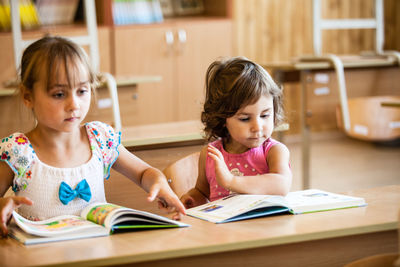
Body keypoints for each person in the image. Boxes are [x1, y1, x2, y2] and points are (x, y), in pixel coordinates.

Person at [0, 36, 185, 237]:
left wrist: (159, 182)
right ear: (28, 96)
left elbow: (143, 173)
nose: (74, 105)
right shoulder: (18, 151)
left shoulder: (99, 138)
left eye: (81, 91)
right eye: (59, 94)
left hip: (98, 252)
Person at [180, 57, 292, 208]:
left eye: (265, 115)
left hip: (265, 227)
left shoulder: (273, 151)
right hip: (223, 229)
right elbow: (202, 192)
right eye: (245, 119)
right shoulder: (211, 154)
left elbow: (281, 185)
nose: (258, 127)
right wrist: (192, 199)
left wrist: (231, 181)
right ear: (223, 118)